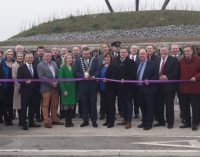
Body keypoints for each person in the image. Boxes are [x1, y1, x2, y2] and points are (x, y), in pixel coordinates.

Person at [154, 45, 179, 129]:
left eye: (165, 50)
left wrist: (166, 77)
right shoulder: (156, 60)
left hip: (169, 87)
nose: (163, 52)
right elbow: (154, 71)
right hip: (158, 86)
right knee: (159, 105)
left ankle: (170, 122)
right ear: (159, 51)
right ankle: (161, 121)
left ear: (168, 51)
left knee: (169, 105)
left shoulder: (174, 60)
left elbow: (176, 72)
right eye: (162, 51)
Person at [37, 50, 64, 128]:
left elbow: (58, 73)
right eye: (47, 56)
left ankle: (54, 119)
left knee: (55, 104)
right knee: (45, 104)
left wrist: (57, 82)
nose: (48, 57)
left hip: (55, 88)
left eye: (49, 56)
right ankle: (46, 121)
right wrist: (51, 83)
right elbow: (41, 77)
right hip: (46, 88)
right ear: (44, 57)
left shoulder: (54, 63)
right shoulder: (40, 65)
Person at [75, 47, 99, 128]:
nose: (86, 55)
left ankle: (94, 120)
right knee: (84, 103)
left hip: (92, 85)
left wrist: (94, 76)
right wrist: (82, 76)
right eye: (84, 54)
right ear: (82, 53)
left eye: (88, 54)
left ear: (90, 53)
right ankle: (85, 120)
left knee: (93, 103)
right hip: (83, 85)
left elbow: (97, 70)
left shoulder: (94, 59)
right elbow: (76, 72)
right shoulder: (78, 60)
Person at [17, 52, 41, 130]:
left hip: (34, 92)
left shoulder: (35, 67)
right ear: (25, 58)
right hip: (25, 91)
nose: (30, 59)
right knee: (24, 108)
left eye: (31, 57)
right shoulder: (21, 67)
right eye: (29, 58)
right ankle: (23, 123)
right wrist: (25, 82)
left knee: (32, 108)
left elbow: (37, 79)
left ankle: (31, 122)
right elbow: (18, 79)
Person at [179, 46, 200, 131]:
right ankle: (187, 122)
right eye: (185, 51)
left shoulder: (198, 60)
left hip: (195, 88)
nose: (186, 52)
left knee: (195, 107)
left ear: (192, 51)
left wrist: (196, 77)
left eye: (188, 51)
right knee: (185, 107)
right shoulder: (181, 61)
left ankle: (195, 123)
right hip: (184, 88)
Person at [136, 49, 158, 130]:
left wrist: (150, 80)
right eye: (140, 54)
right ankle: (144, 121)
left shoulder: (153, 64)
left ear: (146, 55)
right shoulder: (137, 63)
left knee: (150, 107)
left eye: (143, 54)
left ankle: (149, 123)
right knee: (142, 106)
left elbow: (156, 76)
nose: (141, 55)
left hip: (149, 89)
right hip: (139, 88)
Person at [116, 48, 136, 129]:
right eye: (121, 52)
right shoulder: (117, 61)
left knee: (128, 104)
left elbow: (133, 74)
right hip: (120, 87)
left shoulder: (131, 62)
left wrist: (125, 79)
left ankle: (129, 121)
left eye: (124, 52)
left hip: (128, 87)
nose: (123, 53)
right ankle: (124, 118)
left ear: (127, 53)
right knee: (122, 103)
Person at [99, 53, 118, 128]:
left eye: (108, 57)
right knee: (105, 105)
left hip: (110, 89)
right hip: (102, 88)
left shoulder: (113, 66)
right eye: (105, 57)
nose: (107, 59)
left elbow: (115, 76)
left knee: (111, 105)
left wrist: (108, 80)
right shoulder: (102, 66)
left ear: (110, 59)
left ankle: (111, 121)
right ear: (104, 59)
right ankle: (107, 120)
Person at [58, 53, 77, 127]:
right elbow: (60, 80)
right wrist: (64, 90)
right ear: (65, 59)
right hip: (66, 89)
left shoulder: (73, 67)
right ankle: (67, 122)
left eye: (70, 58)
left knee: (71, 106)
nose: (69, 59)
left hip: (73, 89)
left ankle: (70, 121)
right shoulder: (62, 68)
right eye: (68, 58)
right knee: (66, 107)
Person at [0, 49, 14, 126]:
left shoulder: (15, 62)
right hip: (4, 87)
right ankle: (6, 119)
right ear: (6, 55)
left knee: (11, 104)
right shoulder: (2, 64)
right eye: (8, 54)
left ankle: (10, 119)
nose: (9, 56)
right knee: (5, 103)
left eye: (11, 54)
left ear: (12, 55)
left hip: (13, 87)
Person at [32, 46, 45, 122]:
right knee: (37, 102)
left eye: (42, 51)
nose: (41, 52)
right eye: (39, 51)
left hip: (46, 84)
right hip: (36, 85)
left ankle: (44, 115)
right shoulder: (34, 60)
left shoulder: (47, 59)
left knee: (45, 101)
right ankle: (37, 116)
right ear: (37, 52)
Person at [12, 52, 24, 126]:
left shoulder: (24, 64)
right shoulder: (14, 65)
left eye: (21, 56)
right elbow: (14, 77)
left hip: (25, 87)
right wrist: (20, 86)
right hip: (18, 87)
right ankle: (20, 121)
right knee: (19, 104)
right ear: (16, 57)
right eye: (18, 56)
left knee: (23, 104)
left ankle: (23, 119)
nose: (19, 57)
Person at [129, 45, 140, 119]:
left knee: (136, 99)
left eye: (135, 49)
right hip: (128, 82)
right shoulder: (126, 58)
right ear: (130, 49)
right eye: (133, 48)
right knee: (128, 99)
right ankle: (128, 113)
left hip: (136, 82)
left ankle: (136, 112)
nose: (134, 50)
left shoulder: (140, 59)